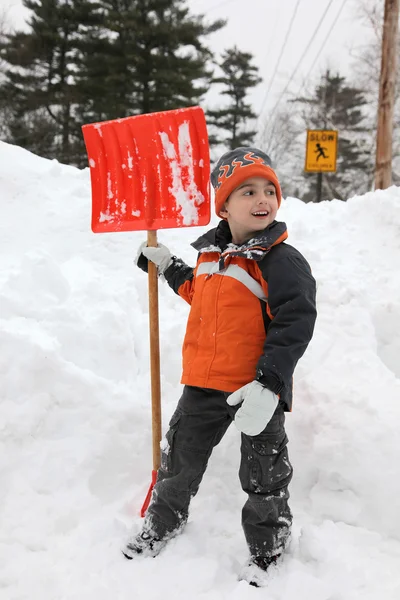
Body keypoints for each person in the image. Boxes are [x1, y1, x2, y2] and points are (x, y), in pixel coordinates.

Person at [123, 147, 317, 587]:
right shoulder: (212, 255)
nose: (262, 198)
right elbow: (202, 295)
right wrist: (169, 268)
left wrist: (269, 383)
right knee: (178, 462)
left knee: (264, 476)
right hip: (203, 384)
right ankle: (163, 522)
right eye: (247, 191)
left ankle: (268, 547)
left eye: (269, 189)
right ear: (224, 205)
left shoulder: (281, 259)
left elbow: (296, 320)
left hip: (255, 390)